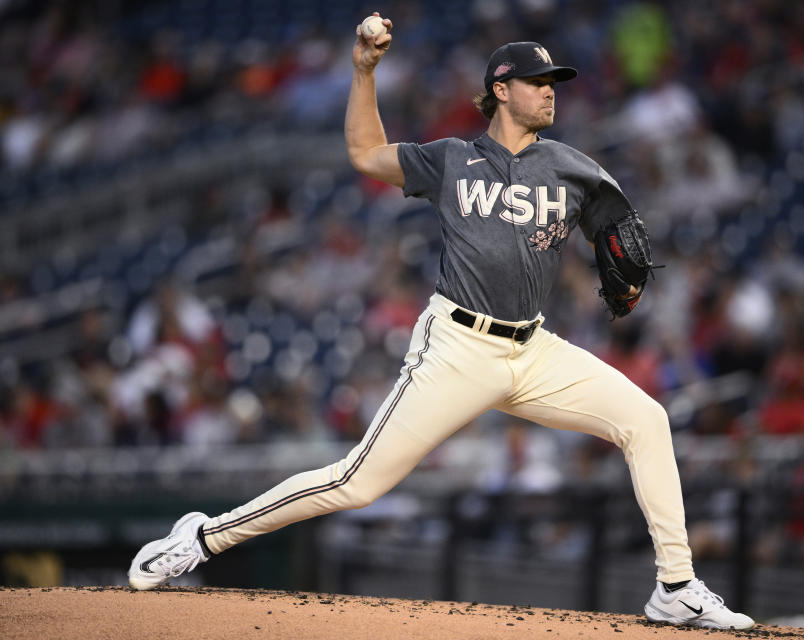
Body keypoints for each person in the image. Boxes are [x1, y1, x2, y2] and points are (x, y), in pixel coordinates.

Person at [127, 13, 754, 630]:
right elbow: (366, 153)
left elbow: (620, 233)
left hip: (534, 349)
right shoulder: (452, 159)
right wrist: (364, 70)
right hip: (457, 346)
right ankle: (204, 538)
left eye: (554, 82)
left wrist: (622, 258)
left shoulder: (573, 168)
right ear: (501, 91)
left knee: (646, 419)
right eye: (537, 82)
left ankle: (676, 587)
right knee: (356, 483)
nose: (549, 92)